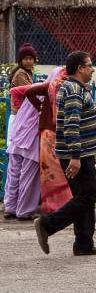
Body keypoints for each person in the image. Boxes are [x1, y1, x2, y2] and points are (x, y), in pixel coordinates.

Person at [34, 51, 96, 256]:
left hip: (80, 150)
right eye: (89, 65)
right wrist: (75, 157)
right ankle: (47, 225)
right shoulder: (74, 89)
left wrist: (95, 136)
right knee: (87, 195)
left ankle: (84, 244)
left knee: (83, 196)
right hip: (78, 154)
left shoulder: (72, 87)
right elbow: (71, 124)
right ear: (80, 68)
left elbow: (77, 121)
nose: (92, 69)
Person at [24, 67, 73, 214]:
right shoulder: (70, 86)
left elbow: (28, 92)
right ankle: (65, 206)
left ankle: (53, 206)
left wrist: (39, 107)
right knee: (62, 171)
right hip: (62, 132)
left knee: (50, 172)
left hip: (48, 132)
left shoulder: (51, 85)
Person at [3, 84, 41, 220]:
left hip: (19, 132)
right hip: (32, 137)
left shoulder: (35, 89)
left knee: (14, 172)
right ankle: (24, 211)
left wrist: (18, 109)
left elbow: (14, 91)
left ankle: (10, 207)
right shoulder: (47, 89)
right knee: (28, 175)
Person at [6, 43, 37, 148]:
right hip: (18, 116)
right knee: (16, 149)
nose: (28, 61)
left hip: (22, 115)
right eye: (25, 59)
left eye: (31, 58)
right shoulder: (21, 74)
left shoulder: (27, 73)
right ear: (20, 61)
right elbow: (30, 92)